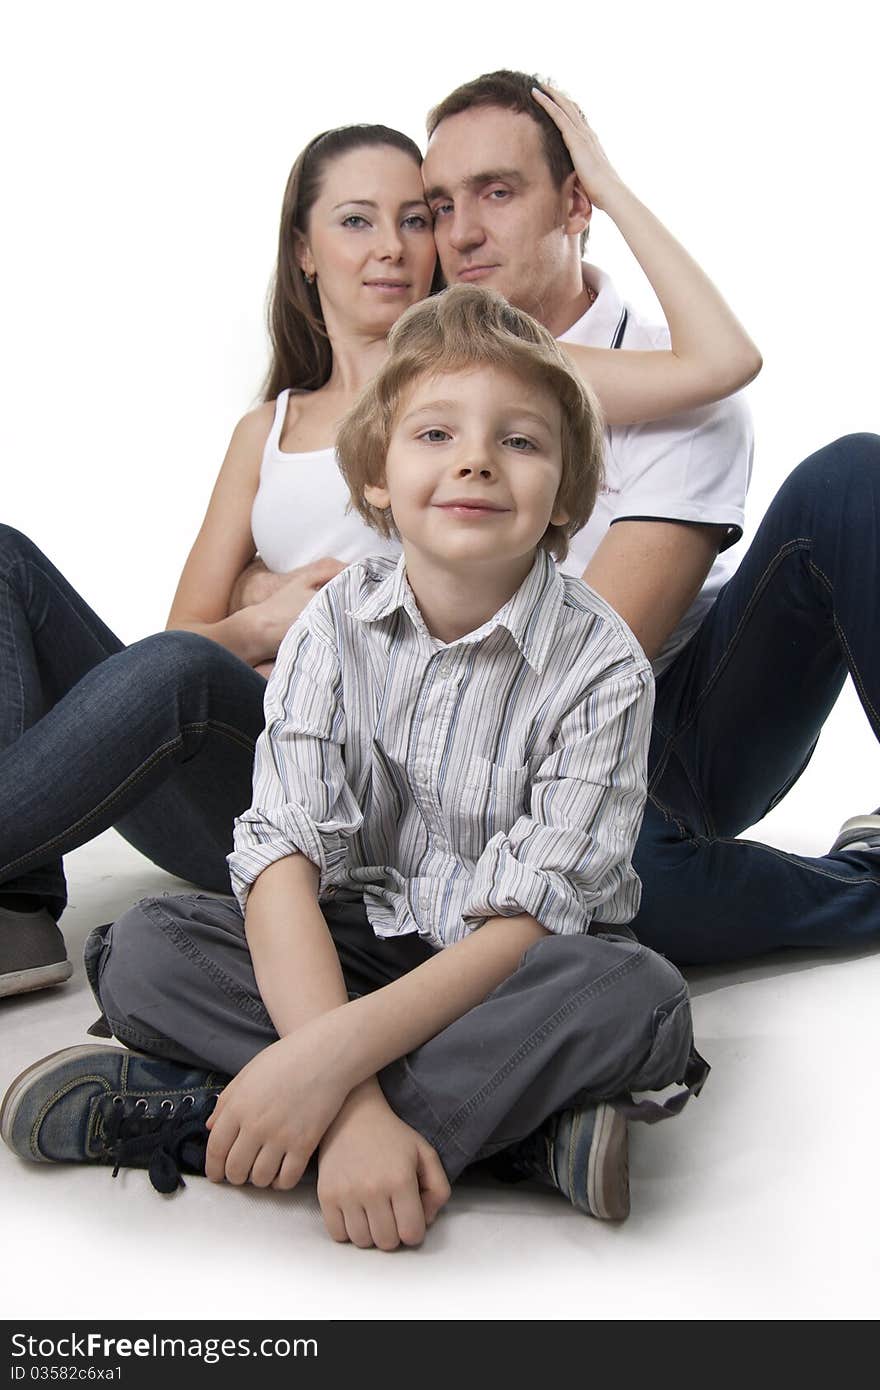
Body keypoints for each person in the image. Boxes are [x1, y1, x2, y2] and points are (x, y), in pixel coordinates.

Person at [0, 100, 760, 998]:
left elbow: (718, 364)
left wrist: (604, 183)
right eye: (357, 221)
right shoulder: (267, 428)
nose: (396, 246)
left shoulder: (474, 381)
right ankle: (16, 898)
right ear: (305, 251)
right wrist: (264, 618)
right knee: (12, 560)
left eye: (417, 219)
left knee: (174, 679)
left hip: (376, 798)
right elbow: (181, 646)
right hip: (246, 762)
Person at [2, 286, 709, 1245]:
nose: (475, 459)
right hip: (354, 944)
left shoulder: (603, 664)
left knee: (642, 1002)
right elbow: (283, 857)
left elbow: (532, 919)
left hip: (508, 969)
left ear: (569, 497)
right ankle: (512, 1136)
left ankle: (211, 1107)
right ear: (375, 475)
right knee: (144, 948)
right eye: (434, 434)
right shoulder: (330, 628)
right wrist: (353, 1099)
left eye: (520, 441)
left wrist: (322, 1061)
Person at [421, 70, 880, 963]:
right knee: (607, 899)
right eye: (439, 205)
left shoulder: (684, 391)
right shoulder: (430, 393)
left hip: (689, 730)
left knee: (851, 476)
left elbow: (592, 659)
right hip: (514, 764)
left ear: (576, 203)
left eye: (499, 193)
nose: (462, 232)